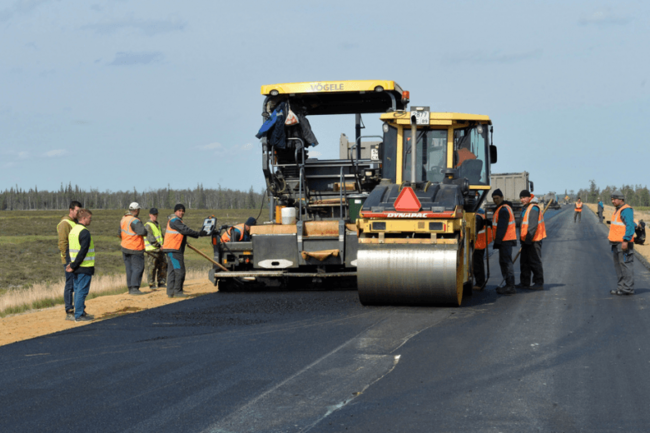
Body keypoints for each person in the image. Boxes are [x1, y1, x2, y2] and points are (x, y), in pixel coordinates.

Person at [162, 204, 207, 298]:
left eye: (183, 211)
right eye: (179, 210)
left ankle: (170, 292)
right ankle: (178, 292)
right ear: (175, 211)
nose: (181, 212)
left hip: (171, 249)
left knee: (172, 271)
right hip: (174, 249)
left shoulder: (174, 220)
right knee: (180, 271)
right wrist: (199, 234)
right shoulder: (175, 221)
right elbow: (185, 230)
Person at [65, 208, 95, 322]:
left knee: (77, 290)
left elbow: (70, 249)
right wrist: (73, 265)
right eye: (89, 218)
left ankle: (79, 313)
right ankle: (79, 315)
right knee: (82, 291)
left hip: (76, 266)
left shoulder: (73, 230)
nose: (90, 220)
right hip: (84, 266)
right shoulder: (84, 232)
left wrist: (71, 264)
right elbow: (83, 251)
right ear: (84, 218)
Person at [516, 190, 546, 290]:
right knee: (524, 262)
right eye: (521, 198)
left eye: (524, 197)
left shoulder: (533, 208)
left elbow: (532, 226)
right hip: (526, 240)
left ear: (529, 198)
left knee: (534, 261)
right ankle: (525, 282)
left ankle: (538, 283)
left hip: (534, 240)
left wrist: (528, 240)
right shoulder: (525, 208)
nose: (522, 200)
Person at [58, 200, 81, 320]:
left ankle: (79, 309)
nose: (79, 213)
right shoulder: (65, 223)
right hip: (69, 259)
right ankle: (69, 310)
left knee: (77, 284)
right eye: (77, 211)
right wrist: (67, 260)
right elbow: (62, 243)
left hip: (76, 258)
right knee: (70, 284)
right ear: (70, 210)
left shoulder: (75, 222)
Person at [609, 191, 635, 296]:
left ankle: (628, 288)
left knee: (626, 265)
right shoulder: (618, 210)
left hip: (623, 242)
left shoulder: (626, 210)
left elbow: (630, 226)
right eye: (612, 199)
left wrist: (625, 240)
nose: (612, 201)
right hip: (616, 243)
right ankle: (621, 287)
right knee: (618, 266)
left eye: (614, 199)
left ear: (621, 199)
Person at [491, 189, 517, 295]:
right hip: (506, 240)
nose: (495, 200)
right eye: (494, 199)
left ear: (502, 197)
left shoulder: (503, 210)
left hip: (505, 240)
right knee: (504, 262)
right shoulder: (502, 208)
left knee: (506, 263)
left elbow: (502, 227)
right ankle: (508, 285)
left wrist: (497, 241)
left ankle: (510, 286)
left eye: (497, 198)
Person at [118, 202, 147, 295]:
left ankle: (130, 288)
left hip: (125, 247)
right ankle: (135, 288)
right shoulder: (135, 221)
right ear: (136, 210)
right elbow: (142, 231)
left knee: (129, 268)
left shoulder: (123, 219)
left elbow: (119, 233)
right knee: (138, 268)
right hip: (135, 248)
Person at [144, 208, 167, 289]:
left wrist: (164, 244)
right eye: (153, 215)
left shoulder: (157, 224)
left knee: (163, 265)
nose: (155, 216)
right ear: (150, 215)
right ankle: (151, 284)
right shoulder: (148, 225)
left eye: (156, 214)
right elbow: (151, 239)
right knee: (152, 267)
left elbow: (161, 236)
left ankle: (161, 282)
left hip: (160, 249)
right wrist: (160, 246)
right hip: (152, 250)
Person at [472, 208, 493, 290]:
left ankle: (480, 283)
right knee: (478, 263)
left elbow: (474, 232)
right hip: (481, 243)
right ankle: (480, 282)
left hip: (477, 244)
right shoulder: (482, 216)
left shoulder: (477, 218)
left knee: (477, 264)